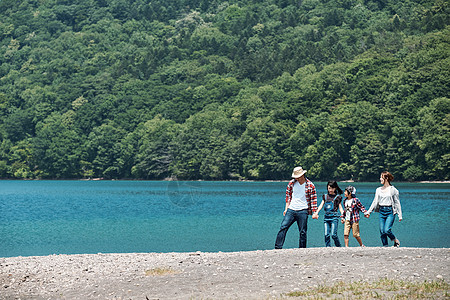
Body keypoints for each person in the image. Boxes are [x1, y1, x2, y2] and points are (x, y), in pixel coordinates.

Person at [275, 166, 318, 249]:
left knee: (302, 232)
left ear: (302, 175)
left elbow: (313, 200)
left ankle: (302, 249)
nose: (296, 178)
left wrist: (314, 212)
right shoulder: (291, 183)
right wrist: (286, 208)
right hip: (291, 209)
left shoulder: (310, 185)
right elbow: (288, 197)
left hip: (303, 210)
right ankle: (277, 247)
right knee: (283, 227)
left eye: (297, 177)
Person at [365, 171, 402, 247]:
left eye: (381, 177)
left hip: (390, 211)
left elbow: (397, 202)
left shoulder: (393, 190)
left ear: (386, 178)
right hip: (381, 211)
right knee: (382, 231)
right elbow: (375, 202)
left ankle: (395, 240)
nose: (380, 179)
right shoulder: (378, 189)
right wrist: (369, 212)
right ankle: (385, 246)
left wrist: (400, 215)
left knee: (387, 230)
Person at [313, 181, 344, 247]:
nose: (330, 190)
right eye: (329, 188)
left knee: (333, 235)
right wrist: (316, 212)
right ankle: (328, 247)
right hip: (326, 217)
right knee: (326, 234)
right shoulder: (325, 196)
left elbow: (340, 207)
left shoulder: (338, 197)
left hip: (334, 217)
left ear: (335, 188)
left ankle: (339, 247)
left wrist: (342, 216)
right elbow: (321, 205)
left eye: (332, 188)